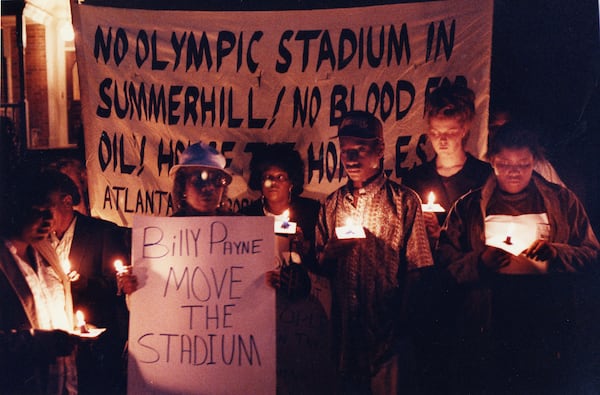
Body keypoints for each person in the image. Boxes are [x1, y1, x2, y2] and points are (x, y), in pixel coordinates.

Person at [436, 121, 600, 393]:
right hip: (488, 324)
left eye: (523, 164)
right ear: (492, 161)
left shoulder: (562, 202)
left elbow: (591, 251)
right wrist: (479, 262)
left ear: (534, 161)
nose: (514, 172)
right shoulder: (468, 207)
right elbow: (445, 260)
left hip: (545, 325)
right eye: (505, 164)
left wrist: (557, 254)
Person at [315, 110, 434, 394]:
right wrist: (331, 252)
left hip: (387, 337)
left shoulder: (404, 201)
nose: (352, 158)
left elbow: (418, 270)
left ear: (379, 149)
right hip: (344, 339)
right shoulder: (331, 205)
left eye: (361, 149)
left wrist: (400, 328)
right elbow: (319, 268)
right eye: (345, 151)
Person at [240, 143, 332, 394]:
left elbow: (324, 264)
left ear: (292, 182)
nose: (273, 183)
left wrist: (303, 250)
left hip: (301, 314)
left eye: (280, 177)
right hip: (260, 311)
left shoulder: (312, 212)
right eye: (267, 177)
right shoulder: (247, 216)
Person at [40, 169, 130, 395]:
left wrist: (84, 283)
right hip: (56, 343)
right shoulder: (39, 239)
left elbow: (116, 284)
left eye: (49, 207)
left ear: (67, 201)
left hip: (96, 346)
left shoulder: (101, 232)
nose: (44, 216)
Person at [0, 168, 78, 394]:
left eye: (50, 211)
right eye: (38, 211)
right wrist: (36, 342)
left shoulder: (46, 253)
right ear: (15, 209)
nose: (49, 220)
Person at [403, 84, 492, 245]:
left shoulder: (484, 176)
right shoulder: (415, 179)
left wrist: (443, 235)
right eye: (436, 133)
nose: (442, 140)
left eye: (450, 132)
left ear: (464, 130)